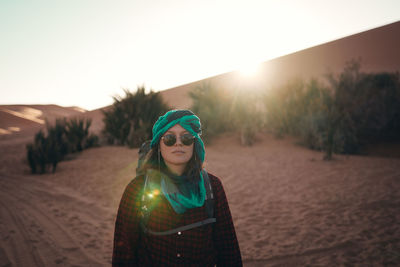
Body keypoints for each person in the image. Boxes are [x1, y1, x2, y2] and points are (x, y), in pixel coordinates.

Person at [112, 109, 242, 266]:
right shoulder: (137, 189)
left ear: (195, 144)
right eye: (169, 138)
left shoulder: (213, 186)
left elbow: (228, 248)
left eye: (187, 138)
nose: (178, 143)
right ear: (159, 145)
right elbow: (124, 253)